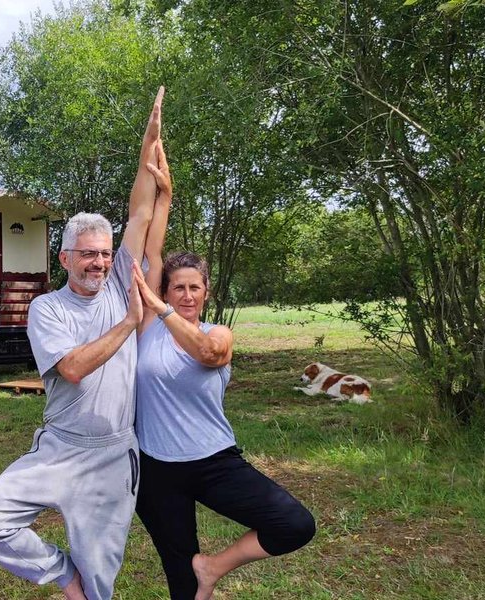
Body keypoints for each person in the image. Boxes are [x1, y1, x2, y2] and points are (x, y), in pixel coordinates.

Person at [0, 87, 165, 600]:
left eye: (105, 253)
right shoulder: (46, 308)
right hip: (59, 448)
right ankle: (61, 574)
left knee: (100, 585)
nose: (100, 262)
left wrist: (149, 142)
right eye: (88, 254)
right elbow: (72, 368)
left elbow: (140, 215)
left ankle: (85, 585)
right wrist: (128, 324)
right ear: (65, 258)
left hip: (113, 455)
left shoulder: (118, 284)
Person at [131, 142, 316, 600]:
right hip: (156, 469)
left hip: (213, 461)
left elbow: (209, 355)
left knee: (293, 523)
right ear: (166, 290)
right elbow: (152, 249)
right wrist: (165, 195)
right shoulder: (149, 325)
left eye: (194, 287)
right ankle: (195, 577)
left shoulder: (217, 334)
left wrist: (163, 310)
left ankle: (213, 566)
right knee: (180, 580)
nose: (186, 295)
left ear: (206, 292)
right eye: (177, 287)